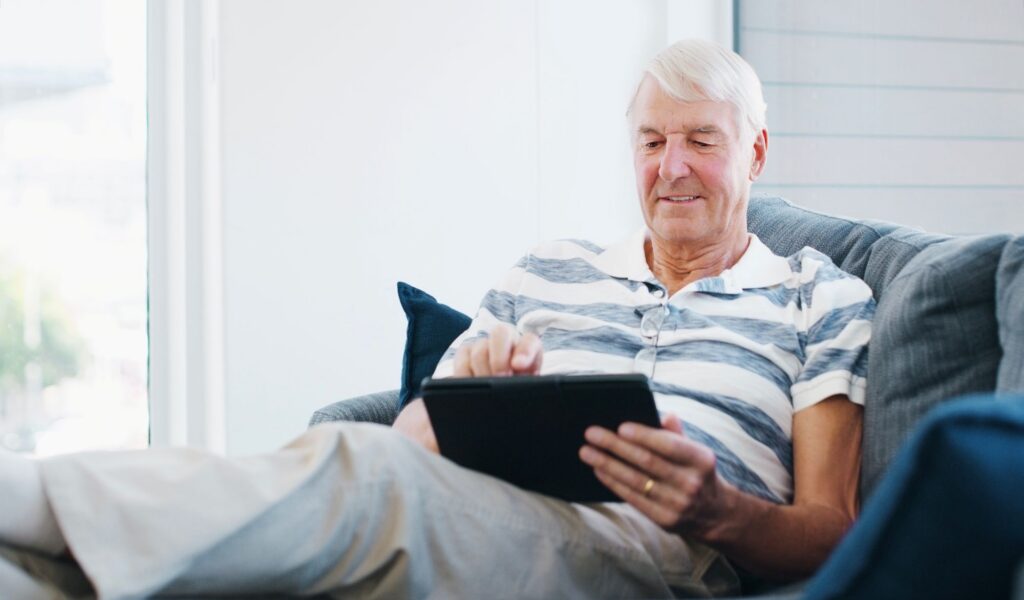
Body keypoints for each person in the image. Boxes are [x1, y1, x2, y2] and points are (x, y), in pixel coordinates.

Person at [0, 39, 873, 598]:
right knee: (370, 484)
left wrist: (716, 509)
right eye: (651, 142)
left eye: (701, 141)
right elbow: (417, 434)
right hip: (487, 511)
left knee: (365, 476)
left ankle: (33, 495)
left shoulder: (818, 297)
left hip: (658, 554)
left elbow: (835, 525)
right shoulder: (548, 272)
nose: (671, 168)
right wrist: (479, 396)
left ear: (754, 150)